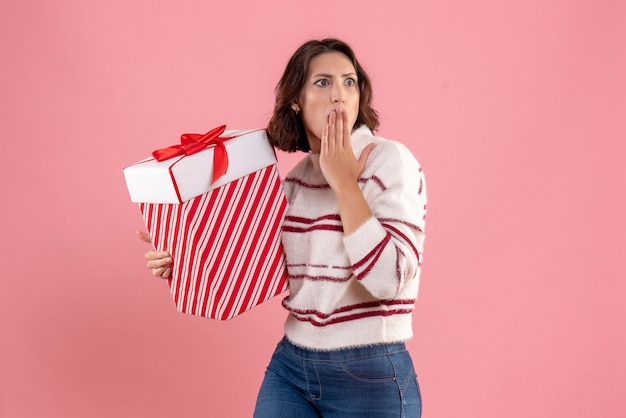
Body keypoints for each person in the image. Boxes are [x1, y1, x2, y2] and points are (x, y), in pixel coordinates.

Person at [138, 38, 427, 417]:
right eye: (322, 82)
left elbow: (388, 281)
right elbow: (257, 273)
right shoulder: (294, 183)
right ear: (296, 99)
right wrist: (187, 260)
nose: (339, 95)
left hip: (370, 372)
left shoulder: (390, 161)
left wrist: (344, 185)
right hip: (293, 366)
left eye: (349, 81)